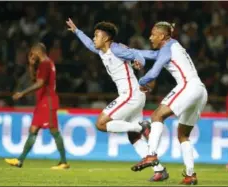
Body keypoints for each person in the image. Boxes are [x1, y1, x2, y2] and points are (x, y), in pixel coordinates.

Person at [66, 18, 168, 181]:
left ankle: (141, 126)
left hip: (130, 94)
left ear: (106, 38)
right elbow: (88, 44)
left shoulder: (116, 49)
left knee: (100, 124)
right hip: (133, 95)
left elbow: (137, 53)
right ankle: (159, 170)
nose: (94, 38)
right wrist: (77, 31)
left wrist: (139, 63)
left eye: (97, 35)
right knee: (133, 137)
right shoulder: (101, 50)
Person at [131, 22, 207, 185]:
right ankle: (190, 175)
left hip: (188, 85)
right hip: (200, 90)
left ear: (163, 36)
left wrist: (142, 81)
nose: (150, 37)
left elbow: (155, 71)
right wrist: (131, 53)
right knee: (183, 135)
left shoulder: (167, 48)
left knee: (157, 115)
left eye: (153, 34)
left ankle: (151, 154)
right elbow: (149, 54)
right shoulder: (172, 46)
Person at [5, 43, 69, 169]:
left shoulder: (45, 64)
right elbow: (35, 79)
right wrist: (31, 65)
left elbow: (39, 84)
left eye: (32, 53)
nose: (31, 56)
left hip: (48, 101)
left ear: (37, 51)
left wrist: (22, 93)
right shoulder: (46, 63)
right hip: (42, 102)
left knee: (54, 131)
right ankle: (20, 160)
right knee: (33, 130)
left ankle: (63, 162)